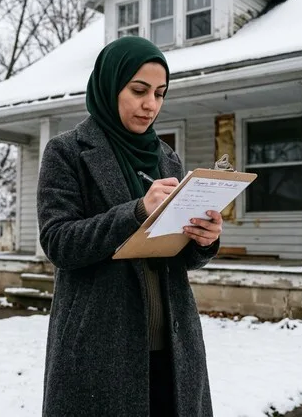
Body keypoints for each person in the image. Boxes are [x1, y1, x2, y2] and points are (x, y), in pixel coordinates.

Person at [36, 35, 223, 416]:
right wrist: (135, 211)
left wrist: (203, 240)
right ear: (109, 85)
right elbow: (59, 243)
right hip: (99, 348)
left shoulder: (166, 158)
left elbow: (174, 254)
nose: (150, 104)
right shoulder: (67, 152)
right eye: (139, 90)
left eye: (160, 92)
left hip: (174, 347)